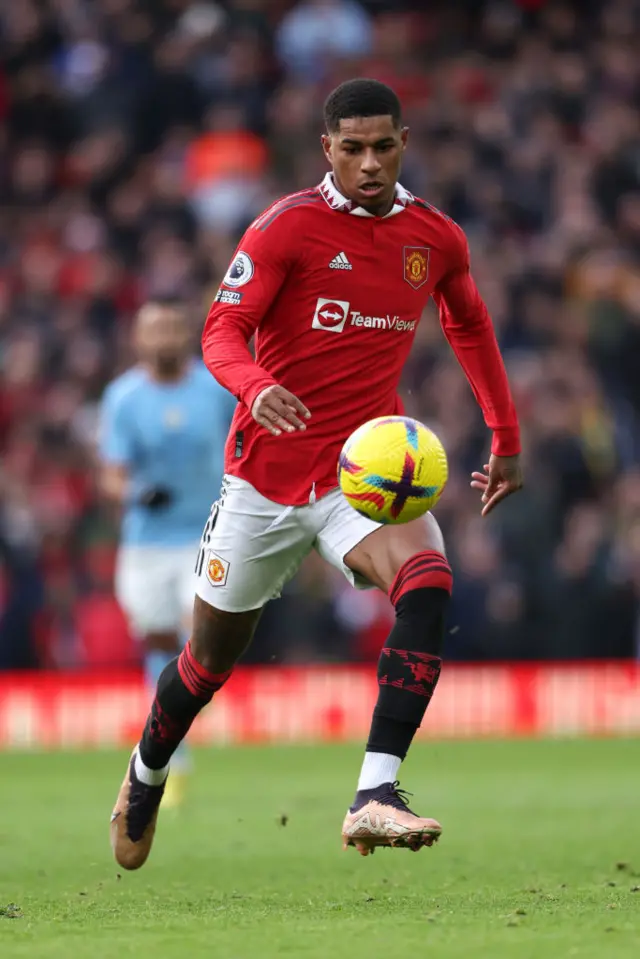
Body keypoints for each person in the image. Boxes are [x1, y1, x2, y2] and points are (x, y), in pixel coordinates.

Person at [110, 79, 523, 868]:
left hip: (359, 476)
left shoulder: (435, 237)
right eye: (354, 148)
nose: (371, 163)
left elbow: (469, 321)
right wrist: (256, 385)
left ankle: (375, 792)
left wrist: (505, 435)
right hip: (262, 482)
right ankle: (146, 769)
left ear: (404, 141)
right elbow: (221, 328)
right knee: (205, 665)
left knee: (429, 579)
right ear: (327, 148)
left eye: (385, 146)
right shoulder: (285, 228)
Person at [100, 297, 235, 808]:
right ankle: (173, 747)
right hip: (147, 542)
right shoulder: (123, 398)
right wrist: (135, 492)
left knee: (195, 633)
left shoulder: (215, 389)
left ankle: (173, 745)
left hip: (208, 534)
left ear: (187, 334)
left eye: (172, 328)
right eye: (153, 329)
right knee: (158, 639)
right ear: (138, 338)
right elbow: (111, 473)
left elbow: (240, 445)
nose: (163, 338)